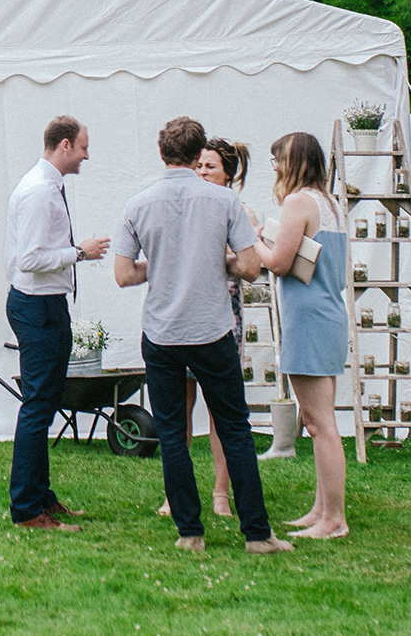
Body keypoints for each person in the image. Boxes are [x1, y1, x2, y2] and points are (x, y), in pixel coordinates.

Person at [115, 116, 290, 555]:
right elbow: (251, 267)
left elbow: (123, 275)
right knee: (234, 428)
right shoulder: (223, 201)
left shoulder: (138, 204)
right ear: (198, 156)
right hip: (211, 328)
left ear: (162, 154)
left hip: (162, 331)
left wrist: (163, 267)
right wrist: (218, 262)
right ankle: (257, 534)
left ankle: (190, 532)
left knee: (173, 432)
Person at [1, 116, 109, 531]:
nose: (86, 155)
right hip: (36, 305)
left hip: (46, 304)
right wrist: (77, 253)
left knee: (43, 405)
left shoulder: (47, 187)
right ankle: (27, 509)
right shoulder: (39, 193)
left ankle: (42, 497)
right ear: (64, 145)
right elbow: (29, 258)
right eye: (83, 147)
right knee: (37, 407)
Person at [256, 131, 350, 540]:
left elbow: (277, 263)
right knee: (318, 419)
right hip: (328, 314)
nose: (274, 167)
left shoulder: (297, 202)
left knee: (319, 423)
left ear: (293, 161)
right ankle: (320, 509)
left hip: (309, 320)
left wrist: (251, 236)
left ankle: (334, 520)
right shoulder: (329, 203)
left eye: (278, 159)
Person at [160, 138, 254, 519]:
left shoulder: (237, 209)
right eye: (198, 166)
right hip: (181, 317)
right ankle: (176, 494)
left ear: (228, 175)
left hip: (221, 315)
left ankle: (220, 492)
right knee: (179, 408)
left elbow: (249, 263)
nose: (201, 173)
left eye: (210, 168)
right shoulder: (183, 206)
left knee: (222, 412)